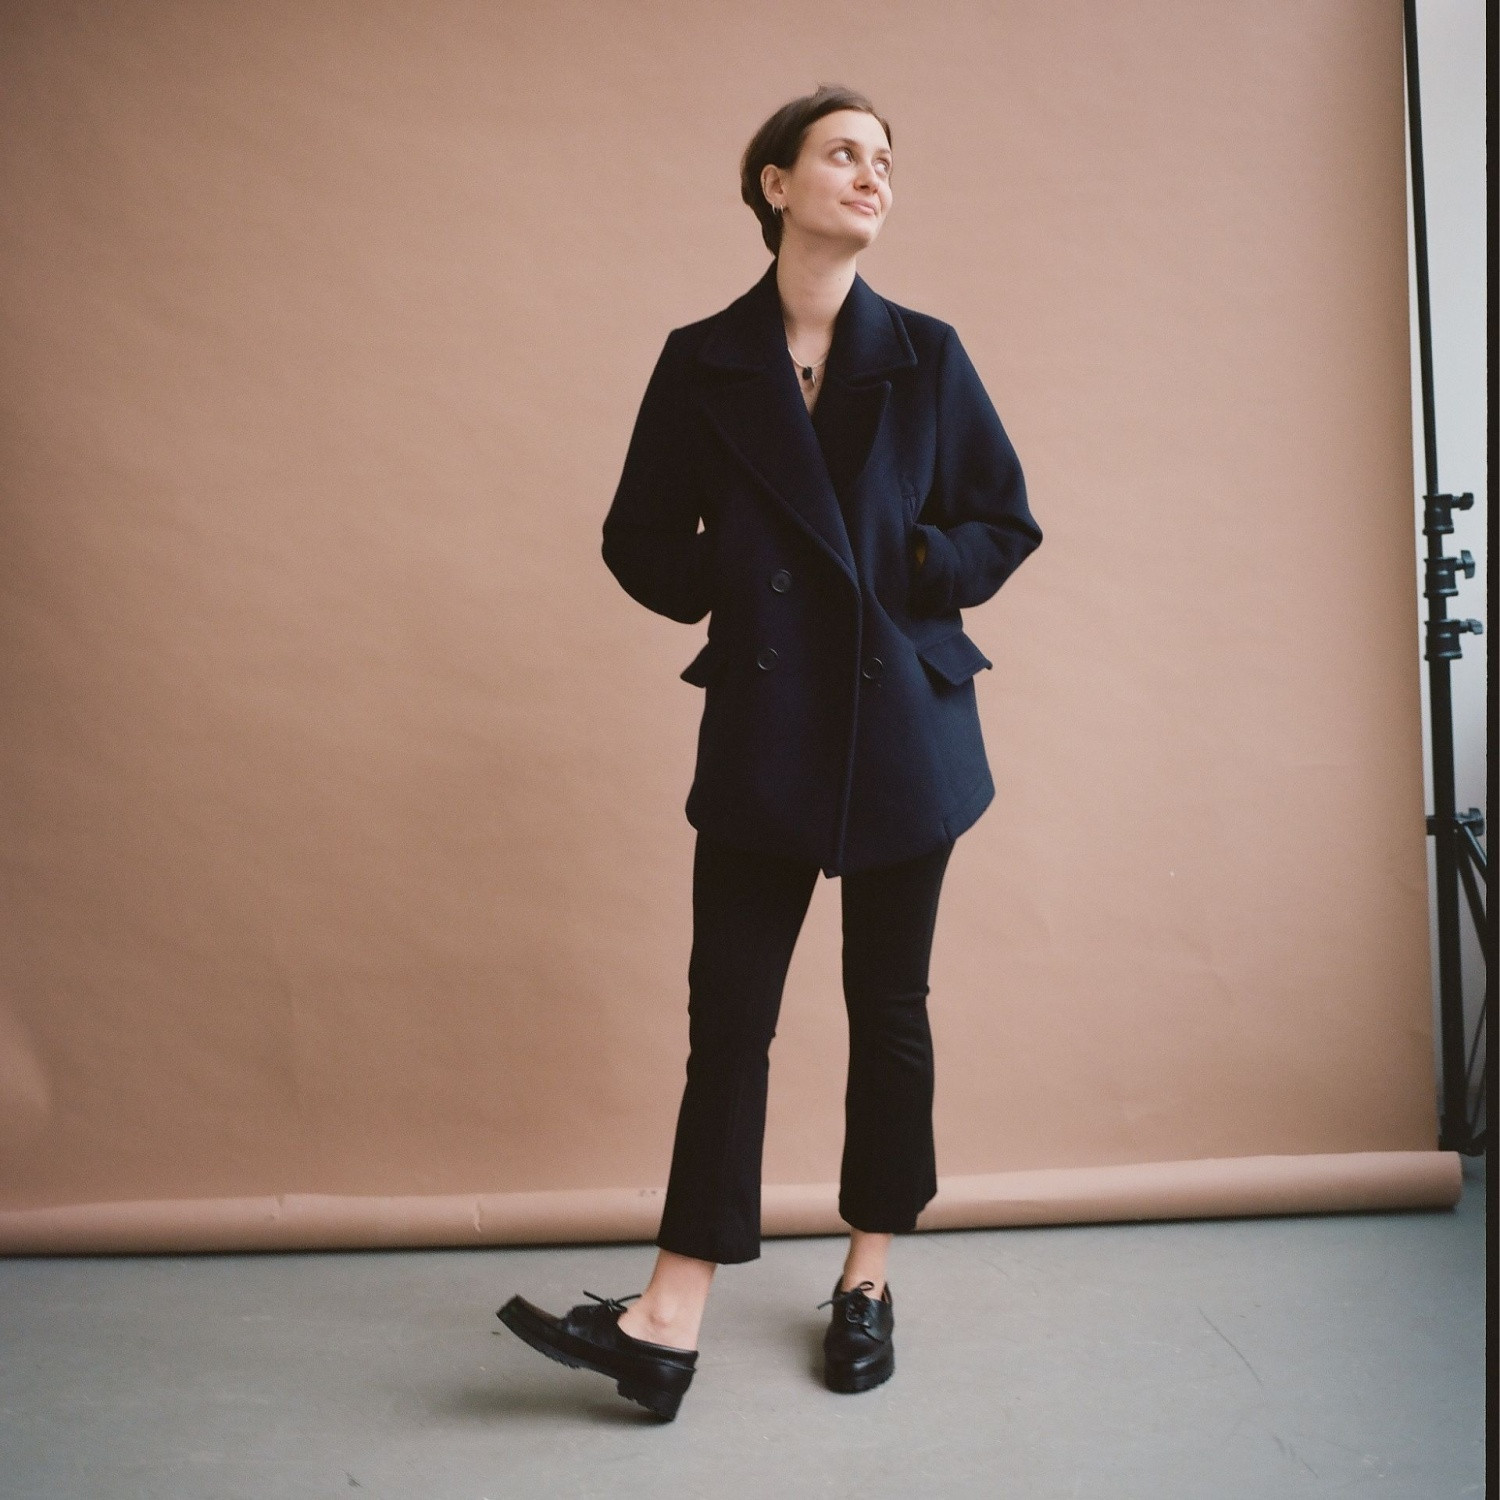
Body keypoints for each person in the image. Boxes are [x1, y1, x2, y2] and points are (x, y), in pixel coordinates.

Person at [497, 83, 1042, 1421]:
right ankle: (669, 1316)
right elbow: (637, 538)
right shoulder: (704, 361)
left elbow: (1003, 524)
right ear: (775, 184)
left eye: (884, 159)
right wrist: (735, 585)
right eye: (842, 153)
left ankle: (867, 1276)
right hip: (767, 722)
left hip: (905, 729)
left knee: (889, 1008)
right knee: (729, 1021)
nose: (871, 174)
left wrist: (915, 561)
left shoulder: (926, 353)